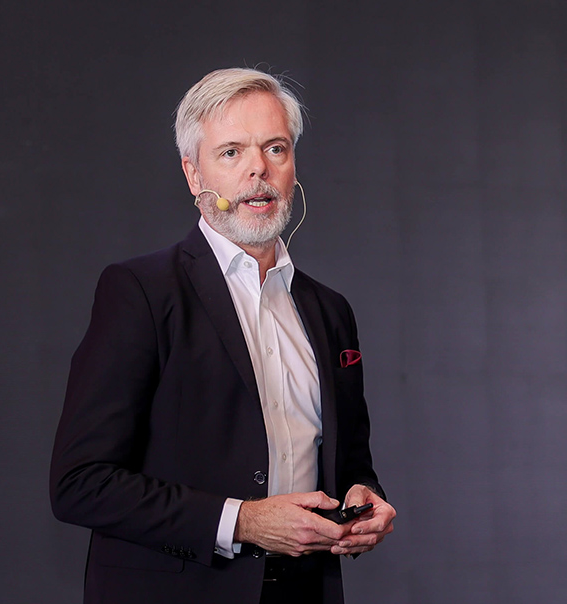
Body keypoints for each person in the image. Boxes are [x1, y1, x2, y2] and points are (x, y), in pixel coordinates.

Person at [49, 67, 395, 604]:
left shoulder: (330, 311)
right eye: (232, 152)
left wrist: (365, 498)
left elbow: (351, 462)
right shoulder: (141, 291)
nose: (259, 169)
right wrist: (244, 522)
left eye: (275, 148)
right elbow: (81, 483)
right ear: (193, 175)